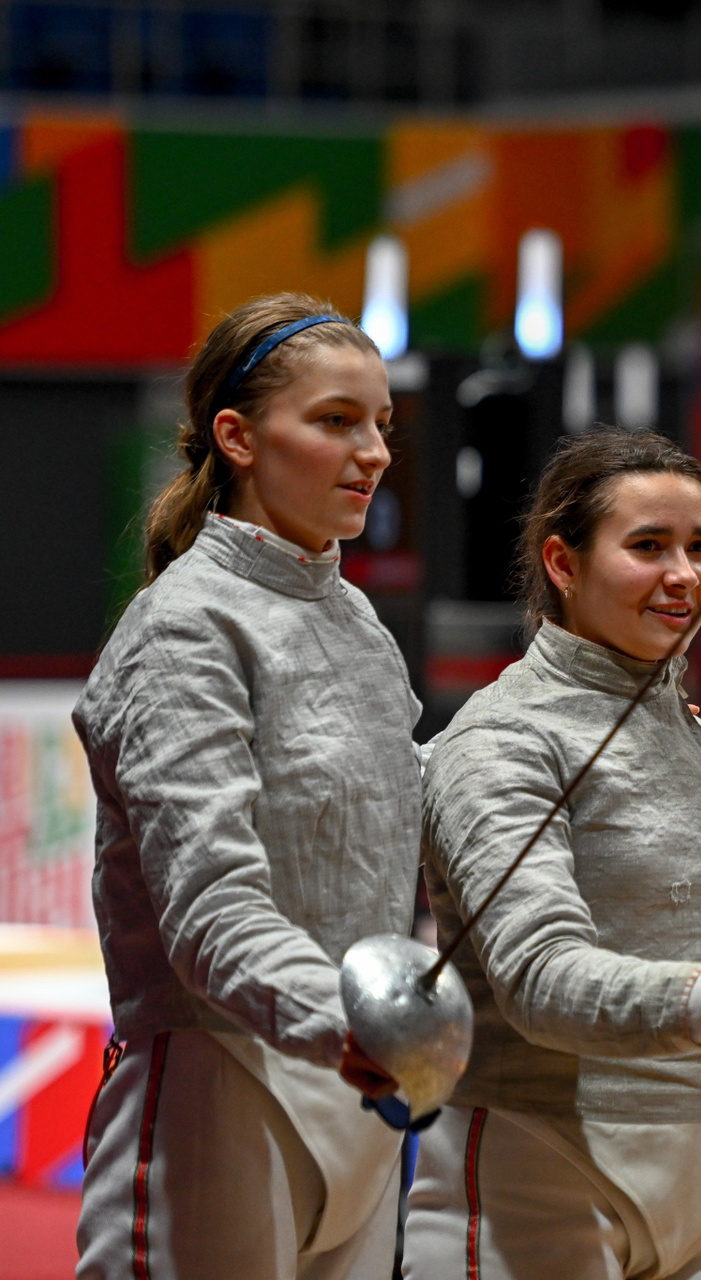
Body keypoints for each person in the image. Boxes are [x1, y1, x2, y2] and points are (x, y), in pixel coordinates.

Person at [72, 294, 416, 1280]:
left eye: (381, 424)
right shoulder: (184, 628)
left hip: (362, 1107)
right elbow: (210, 907)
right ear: (239, 437)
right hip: (220, 1090)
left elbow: (411, 809)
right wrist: (354, 1017)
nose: (373, 453)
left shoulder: (359, 625)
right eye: (336, 420)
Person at [404, 430, 701, 1280]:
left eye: (700, 546)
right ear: (563, 563)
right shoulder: (502, 740)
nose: (684, 574)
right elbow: (537, 975)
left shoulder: (692, 733)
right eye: (648, 546)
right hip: (541, 1172)